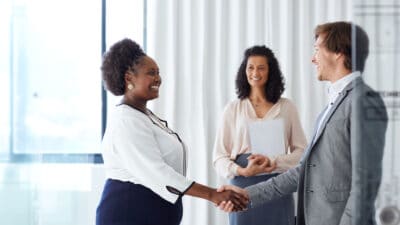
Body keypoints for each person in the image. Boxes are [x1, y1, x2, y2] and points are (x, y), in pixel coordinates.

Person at [218, 21, 388, 225]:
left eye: (317, 50)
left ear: (338, 53)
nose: (312, 58)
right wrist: (245, 195)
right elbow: (303, 171)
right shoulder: (330, 108)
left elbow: (365, 184)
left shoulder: (363, 100)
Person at [95, 38, 248, 225]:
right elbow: (158, 173)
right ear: (129, 78)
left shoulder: (145, 116)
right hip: (129, 212)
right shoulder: (127, 121)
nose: (158, 79)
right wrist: (213, 194)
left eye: (158, 73)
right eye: (151, 73)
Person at [213, 45, 307, 225]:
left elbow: (302, 152)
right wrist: (241, 170)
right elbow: (219, 157)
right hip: (242, 184)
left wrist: (274, 162)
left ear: (270, 71)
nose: (255, 72)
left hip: (279, 183)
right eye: (251, 67)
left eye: (261, 67)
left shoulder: (287, 107)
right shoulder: (233, 108)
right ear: (244, 71)